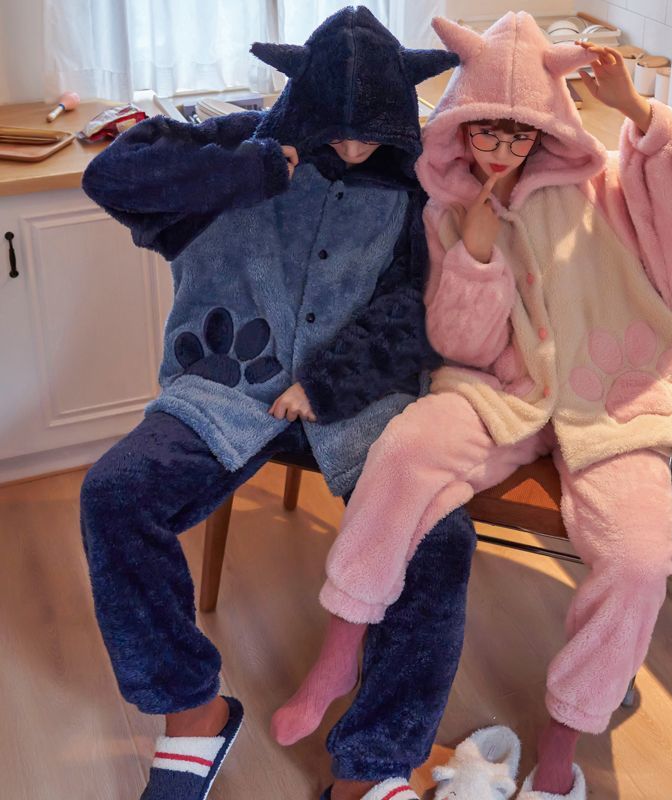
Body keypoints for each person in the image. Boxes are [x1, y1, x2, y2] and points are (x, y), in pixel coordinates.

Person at [276, 12, 672, 800]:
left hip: (613, 396)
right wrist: (477, 253)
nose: (500, 147)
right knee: (404, 451)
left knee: (638, 561)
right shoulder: (444, 208)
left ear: (545, 129)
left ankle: (562, 742)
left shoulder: (608, 187)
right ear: (461, 121)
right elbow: (461, 343)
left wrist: (636, 110)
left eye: (519, 133)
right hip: (501, 390)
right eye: (486, 128)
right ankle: (342, 645)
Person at [79, 8, 477, 800]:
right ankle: (194, 712)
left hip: (358, 405)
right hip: (223, 389)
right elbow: (110, 178)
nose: (355, 150)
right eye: (339, 132)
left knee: (441, 539)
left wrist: (329, 384)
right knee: (115, 495)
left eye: (371, 136)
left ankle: (373, 763)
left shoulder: (417, 185)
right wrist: (249, 171)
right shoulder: (241, 148)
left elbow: (415, 312)